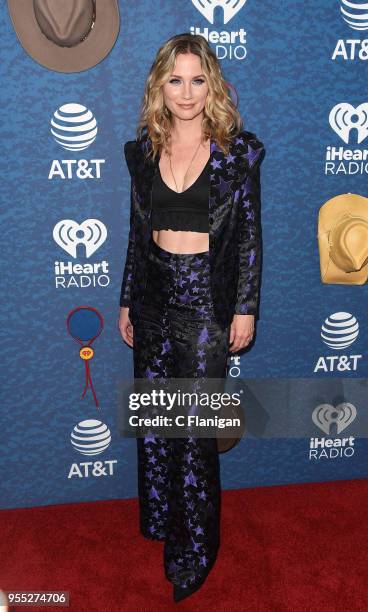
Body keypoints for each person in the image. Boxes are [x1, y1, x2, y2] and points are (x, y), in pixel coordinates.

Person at [118, 32, 265, 603]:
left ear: (214, 85)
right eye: (175, 79)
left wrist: (244, 308)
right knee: (155, 424)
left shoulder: (237, 154)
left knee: (195, 434)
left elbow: (251, 237)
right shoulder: (143, 151)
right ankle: (162, 524)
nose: (186, 92)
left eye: (197, 79)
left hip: (205, 302)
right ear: (160, 84)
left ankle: (195, 550)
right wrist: (129, 298)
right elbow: (136, 235)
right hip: (153, 298)